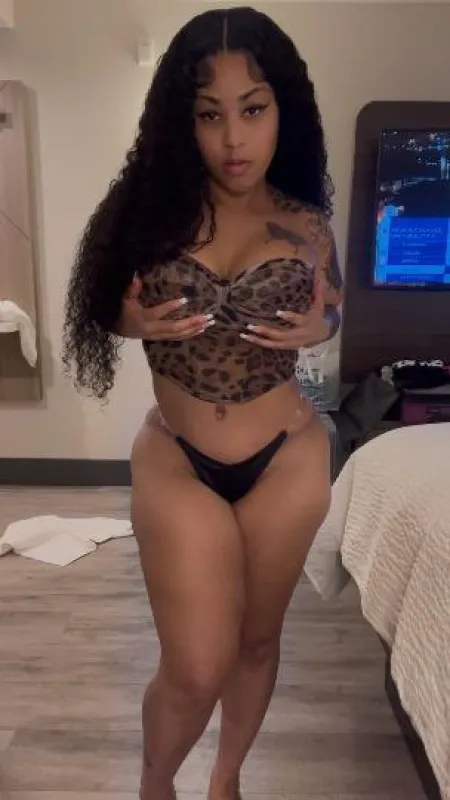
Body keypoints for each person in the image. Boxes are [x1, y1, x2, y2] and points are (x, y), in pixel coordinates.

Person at [62, 6, 343, 799]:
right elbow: (101, 307)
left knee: (256, 644)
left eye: (252, 109)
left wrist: (323, 325)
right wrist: (128, 320)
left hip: (287, 457)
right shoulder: (145, 217)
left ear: (283, 109)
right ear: (180, 121)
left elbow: (331, 307)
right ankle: (156, 786)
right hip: (178, 459)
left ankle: (227, 781)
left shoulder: (308, 223)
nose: (233, 138)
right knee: (194, 665)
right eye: (209, 115)